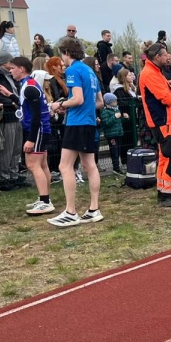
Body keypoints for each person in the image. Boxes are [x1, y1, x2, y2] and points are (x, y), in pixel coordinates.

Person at [47, 36, 103, 226]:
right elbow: (98, 101)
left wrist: (59, 104)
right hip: (88, 121)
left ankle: (71, 211)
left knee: (65, 166)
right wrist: (70, 105)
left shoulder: (72, 70)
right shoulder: (89, 71)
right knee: (90, 165)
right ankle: (94, 208)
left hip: (77, 123)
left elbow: (77, 98)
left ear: (66, 53)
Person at [9, 56, 54, 215]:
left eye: (12, 68)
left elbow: (36, 116)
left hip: (37, 130)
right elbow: (26, 106)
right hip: (40, 129)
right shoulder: (27, 85)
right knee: (42, 165)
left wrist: (31, 139)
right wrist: (10, 95)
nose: (11, 71)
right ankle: (45, 198)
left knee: (33, 165)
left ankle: (45, 201)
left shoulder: (29, 86)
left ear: (21, 69)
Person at [138, 42, 171, 207]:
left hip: (164, 121)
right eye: (165, 55)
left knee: (165, 157)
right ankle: (165, 195)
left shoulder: (155, 71)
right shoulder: (150, 73)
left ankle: (164, 192)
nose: (167, 57)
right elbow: (168, 98)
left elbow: (169, 93)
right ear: (157, 57)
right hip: (162, 121)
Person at [0, 49, 24, 190]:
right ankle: (4, 177)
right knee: (7, 148)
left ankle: (14, 174)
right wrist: (11, 102)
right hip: (7, 116)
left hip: (17, 115)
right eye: (10, 61)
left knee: (16, 147)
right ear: (4, 62)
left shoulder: (11, 75)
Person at [99, 92, 125, 174]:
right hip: (111, 135)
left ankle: (118, 166)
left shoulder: (117, 109)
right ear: (109, 102)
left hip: (118, 133)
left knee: (118, 149)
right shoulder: (105, 112)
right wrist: (114, 117)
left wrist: (124, 118)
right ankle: (116, 168)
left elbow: (119, 121)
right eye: (114, 101)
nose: (116, 102)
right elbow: (106, 123)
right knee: (114, 151)